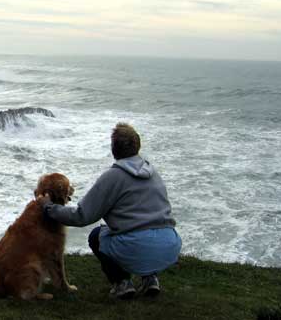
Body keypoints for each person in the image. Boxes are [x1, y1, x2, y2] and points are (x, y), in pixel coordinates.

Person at [38, 123, 181, 299]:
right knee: (144, 232)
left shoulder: (112, 177)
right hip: (169, 244)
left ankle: (122, 283)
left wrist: (48, 207)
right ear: (138, 146)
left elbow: (82, 216)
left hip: (137, 247)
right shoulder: (153, 173)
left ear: (114, 149)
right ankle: (150, 279)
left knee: (97, 236)